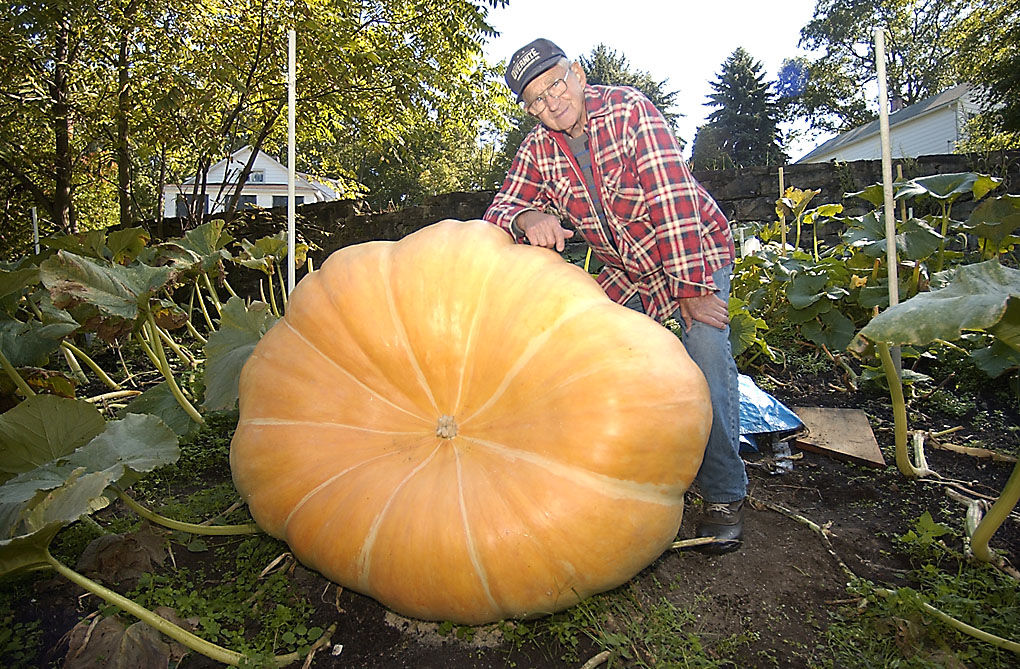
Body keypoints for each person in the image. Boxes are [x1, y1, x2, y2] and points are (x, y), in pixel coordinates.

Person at [483, 38, 747, 553]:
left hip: (692, 249)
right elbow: (499, 208)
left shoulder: (630, 112)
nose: (550, 102)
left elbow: (672, 203)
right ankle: (619, 467)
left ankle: (723, 494)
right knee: (589, 351)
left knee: (706, 352)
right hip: (628, 270)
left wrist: (691, 292)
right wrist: (526, 216)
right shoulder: (539, 147)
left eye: (555, 84)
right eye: (535, 99)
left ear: (577, 74)